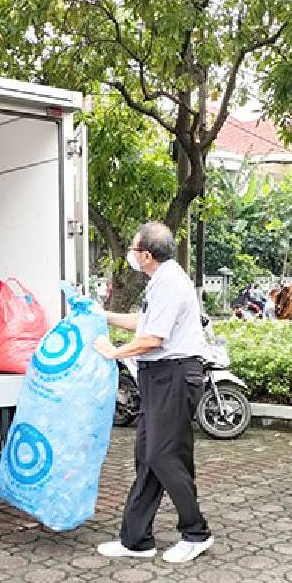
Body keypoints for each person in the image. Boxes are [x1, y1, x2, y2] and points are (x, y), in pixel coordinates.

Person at [93, 222, 213, 564]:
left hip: (173, 375)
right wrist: (103, 316)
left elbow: (152, 340)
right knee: (147, 456)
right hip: (161, 377)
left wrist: (112, 352)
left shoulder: (170, 284)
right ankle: (136, 539)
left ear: (146, 255)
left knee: (163, 456)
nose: (131, 255)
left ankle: (196, 533)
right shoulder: (161, 281)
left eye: (133, 249)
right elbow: (143, 323)